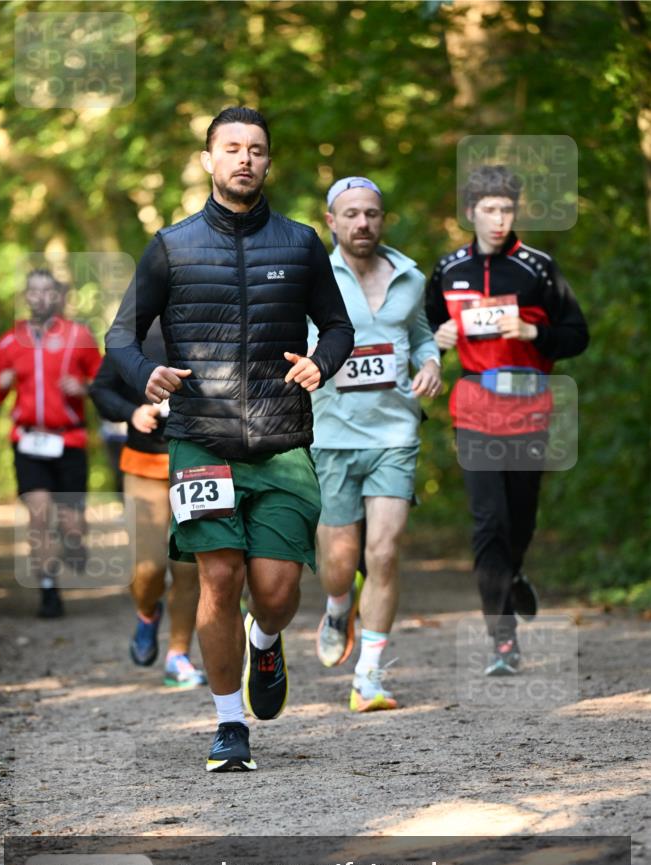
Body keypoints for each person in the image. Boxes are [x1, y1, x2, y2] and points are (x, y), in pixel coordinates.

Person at [106, 107, 354, 772]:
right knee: (218, 577)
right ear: (209, 160)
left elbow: (336, 328)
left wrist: (320, 363)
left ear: (267, 163)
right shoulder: (171, 247)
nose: (244, 159)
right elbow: (120, 336)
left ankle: (265, 640)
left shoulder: (301, 244)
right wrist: (145, 374)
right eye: (232, 148)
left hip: (280, 444)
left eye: (257, 150)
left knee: (272, 590)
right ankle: (227, 725)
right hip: (199, 442)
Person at [425, 165, 588, 675]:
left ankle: (513, 574)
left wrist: (534, 334)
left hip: (530, 411)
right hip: (475, 410)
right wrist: (437, 340)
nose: (498, 219)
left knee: (520, 520)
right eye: (489, 209)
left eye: (507, 209)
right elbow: (424, 327)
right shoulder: (448, 270)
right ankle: (502, 639)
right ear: (470, 211)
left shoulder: (539, 269)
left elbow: (577, 336)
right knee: (488, 522)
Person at [310, 176, 441, 711]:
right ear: (332, 222)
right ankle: (339, 604)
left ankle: (368, 677)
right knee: (340, 563)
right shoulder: (310, 276)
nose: (362, 223)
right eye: (351, 214)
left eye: (372, 213)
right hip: (332, 435)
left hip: (395, 433)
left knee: (384, 552)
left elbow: (424, 332)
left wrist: (431, 361)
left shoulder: (411, 276)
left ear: (382, 219)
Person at [90, 319, 204, 688]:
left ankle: (178, 656)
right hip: (144, 464)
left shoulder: (207, 323)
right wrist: (132, 413)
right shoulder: (131, 335)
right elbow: (101, 391)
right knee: (149, 569)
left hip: (199, 464)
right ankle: (146, 611)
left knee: (188, 569)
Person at [0, 268, 101, 617]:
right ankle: (49, 589)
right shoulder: (9, 341)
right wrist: (1, 382)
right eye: (33, 291)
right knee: (38, 515)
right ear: (26, 297)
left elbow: (102, 381)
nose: (40, 298)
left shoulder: (79, 336)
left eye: (47, 291)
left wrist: (83, 388)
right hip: (28, 440)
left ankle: (75, 542)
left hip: (70, 439)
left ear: (59, 296)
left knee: (70, 522)